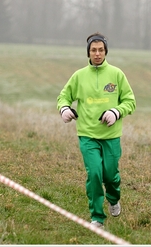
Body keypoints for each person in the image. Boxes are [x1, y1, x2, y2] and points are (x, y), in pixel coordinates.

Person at [57, 32, 136, 228]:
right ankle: (97, 217)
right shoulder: (79, 76)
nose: (97, 53)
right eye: (94, 50)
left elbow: (130, 102)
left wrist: (116, 112)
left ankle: (113, 197)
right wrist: (64, 109)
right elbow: (63, 97)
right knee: (94, 174)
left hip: (111, 136)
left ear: (106, 51)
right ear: (88, 53)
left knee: (110, 175)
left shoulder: (117, 74)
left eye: (101, 50)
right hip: (87, 135)